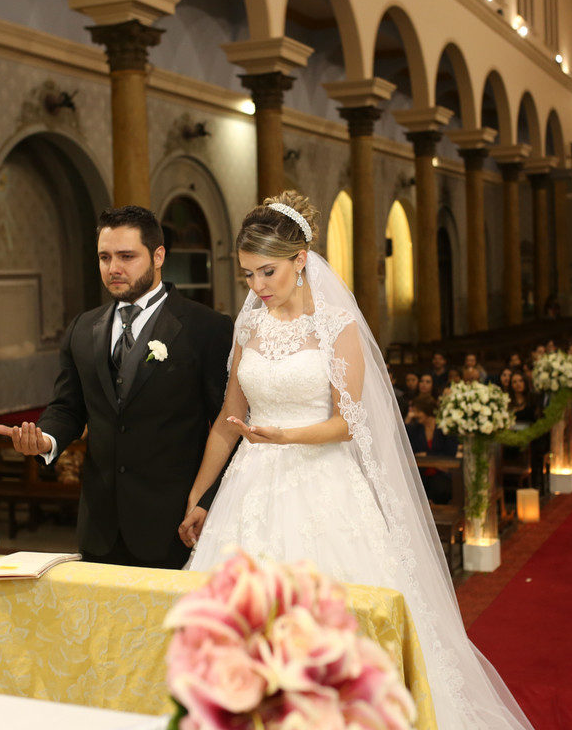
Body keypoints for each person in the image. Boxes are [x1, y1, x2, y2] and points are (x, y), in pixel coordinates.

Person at [178, 192, 533, 730]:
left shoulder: (336, 325)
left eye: (267, 272)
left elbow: (351, 421)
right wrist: (198, 494)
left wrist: (286, 436)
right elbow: (228, 421)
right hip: (249, 489)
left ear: (300, 260)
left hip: (323, 480)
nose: (257, 288)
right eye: (247, 275)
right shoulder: (247, 326)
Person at [0, 206, 233, 569]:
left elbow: (229, 426)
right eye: (105, 257)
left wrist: (207, 501)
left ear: (158, 256)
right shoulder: (82, 328)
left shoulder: (206, 329)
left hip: (175, 523)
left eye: (126, 256)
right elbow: (68, 407)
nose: (113, 268)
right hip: (100, 527)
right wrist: (46, 438)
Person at [405, 393, 458, 504]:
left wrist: (428, 456)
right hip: (421, 473)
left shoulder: (445, 428)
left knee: (441, 490)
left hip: (442, 473)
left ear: (427, 411)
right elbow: (412, 451)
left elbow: (450, 453)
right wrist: (408, 420)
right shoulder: (415, 429)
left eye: (417, 411)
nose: (415, 415)